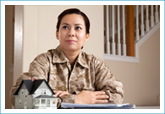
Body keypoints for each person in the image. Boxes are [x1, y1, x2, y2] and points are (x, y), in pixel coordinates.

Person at [10, 8, 124, 105]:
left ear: (87, 36)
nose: (71, 33)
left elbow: (117, 95)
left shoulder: (95, 64)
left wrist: (58, 98)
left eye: (78, 28)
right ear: (57, 33)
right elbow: (22, 98)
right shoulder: (43, 61)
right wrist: (76, 99)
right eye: (65, 27)